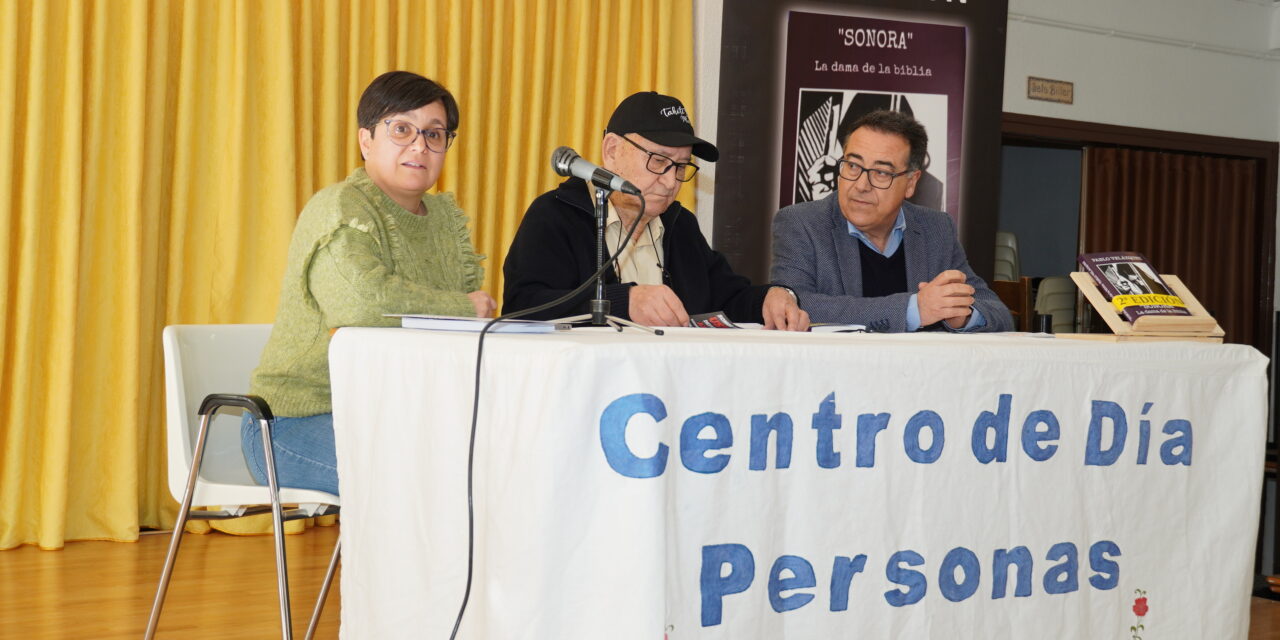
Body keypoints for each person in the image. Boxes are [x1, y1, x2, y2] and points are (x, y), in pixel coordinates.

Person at [242, 71, 495, 495]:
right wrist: (464, 307)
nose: (420, 145)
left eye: (435, 134)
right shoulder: (339, 206)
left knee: (497, 458)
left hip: (399, 416)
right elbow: (363, 305)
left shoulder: (445, 222)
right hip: (293, 423)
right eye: (402, 130)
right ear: (366, 141)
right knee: (428, 478)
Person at [503, 91, 808, 330]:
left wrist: (773, 297)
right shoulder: (555, 215)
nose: (670, 181)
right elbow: (523, 307)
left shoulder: (680, 225)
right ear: (611, 150)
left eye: (680, 166)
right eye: (658, 161)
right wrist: (625, 302)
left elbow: (729, 297)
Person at [771, 109, 1012, 332]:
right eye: (853, 166)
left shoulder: (936, 229)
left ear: (910, 182)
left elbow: (999, 314)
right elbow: (793, 303)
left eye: (882, 173)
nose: (861, 185)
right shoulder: (802, 223)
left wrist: (961, 315)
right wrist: (912, 310)